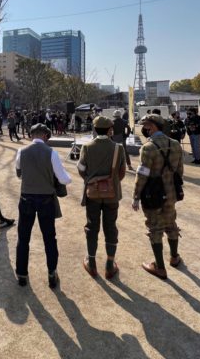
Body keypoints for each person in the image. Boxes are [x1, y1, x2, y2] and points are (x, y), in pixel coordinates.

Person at [15, 124, 72, 288]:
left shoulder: (21, 151)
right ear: (46, 136)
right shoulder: (51, 152)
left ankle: (22, 274)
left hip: (26, 198)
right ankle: (52, 273)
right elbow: (64, 179)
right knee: (49, 238)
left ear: (31, 135)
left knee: (23, 237)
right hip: (46, 200)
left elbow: (19, 174)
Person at [132, 114, 184, 280]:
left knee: (155, 227)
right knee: (171, 223)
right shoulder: (175, 144)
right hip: (171, 192)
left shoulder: (148, 148)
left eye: (146, 126)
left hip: (152, 194)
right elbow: (180, 171)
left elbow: (142, 174)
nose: (145, 129)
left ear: (153, 126)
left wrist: (136, 196)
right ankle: (174, 257)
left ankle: (160, 267)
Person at [78, 116, 126, 279]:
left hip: (93, 194)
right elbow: (121, 173)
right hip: (112, 194)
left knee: (92, 226)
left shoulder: (87, 147)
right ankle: (109, 265)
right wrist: (111, 184)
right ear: (110, 130)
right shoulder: (118, 148)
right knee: (111, 226)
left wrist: (90, 181)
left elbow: (81, 169)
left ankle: (91, 262)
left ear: (94, 129)